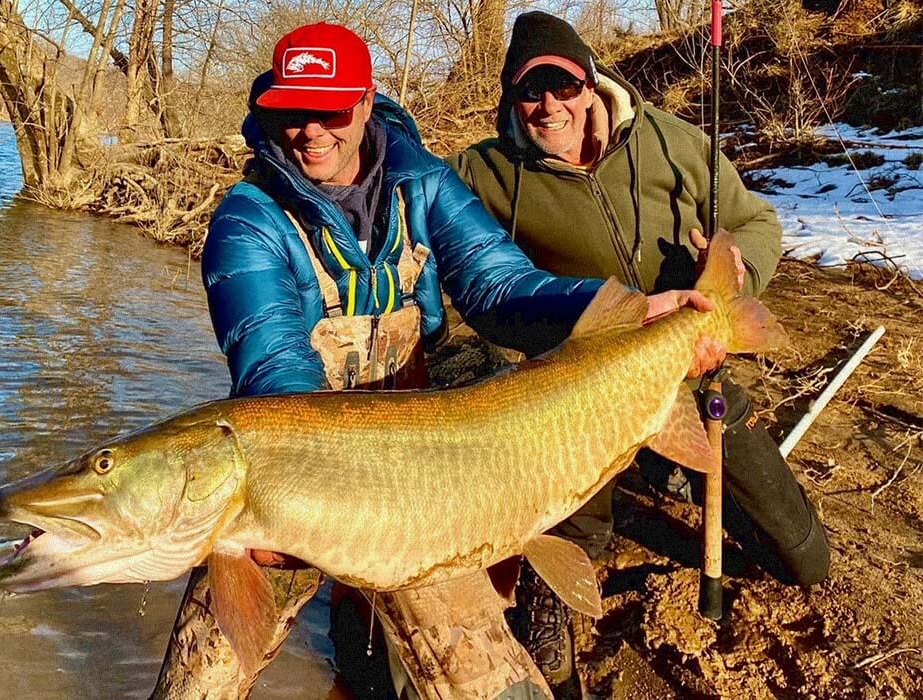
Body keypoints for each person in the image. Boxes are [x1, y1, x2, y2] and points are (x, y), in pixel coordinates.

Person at [151, 20, 725, 700]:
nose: (311, 131)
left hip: (424, 473)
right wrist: (297, 513)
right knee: (200, 682)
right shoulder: (247, 220)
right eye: (291, 111)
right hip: (288, 483)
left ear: (365, 104)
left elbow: (500, 283)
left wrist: (625, 312)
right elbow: (275, 370)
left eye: (330, 109)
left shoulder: (423, 181)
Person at [447, 10, 831, 688]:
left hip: (692, 360)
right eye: (529, 93)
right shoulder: (484, 173)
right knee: (571, 541)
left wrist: (738, 272)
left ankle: (663, 469)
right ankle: (552, 610)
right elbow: (471, 275)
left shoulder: (671, 142)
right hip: (574, 380)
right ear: (511, 100)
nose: (549, 107)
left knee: (806, 562)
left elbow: (753, 221)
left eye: (563, 87)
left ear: (590, 85)